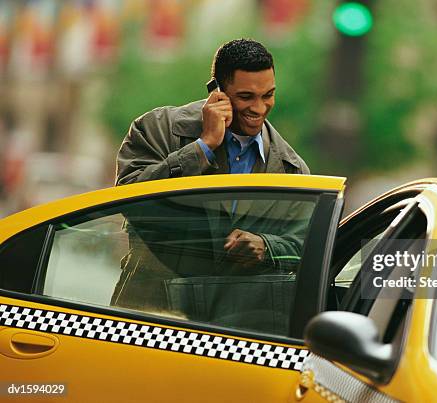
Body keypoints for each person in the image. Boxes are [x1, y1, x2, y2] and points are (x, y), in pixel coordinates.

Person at [112, 39, 310, 312]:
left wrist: (267, 247)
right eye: (246, 97)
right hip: (150, 317)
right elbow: (129, 200)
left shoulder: (293, 170)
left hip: (235, 329)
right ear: (217, 91)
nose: (259, 108)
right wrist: (202, 147)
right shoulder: (157, 129)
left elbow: (307, 245)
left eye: (268, 95)